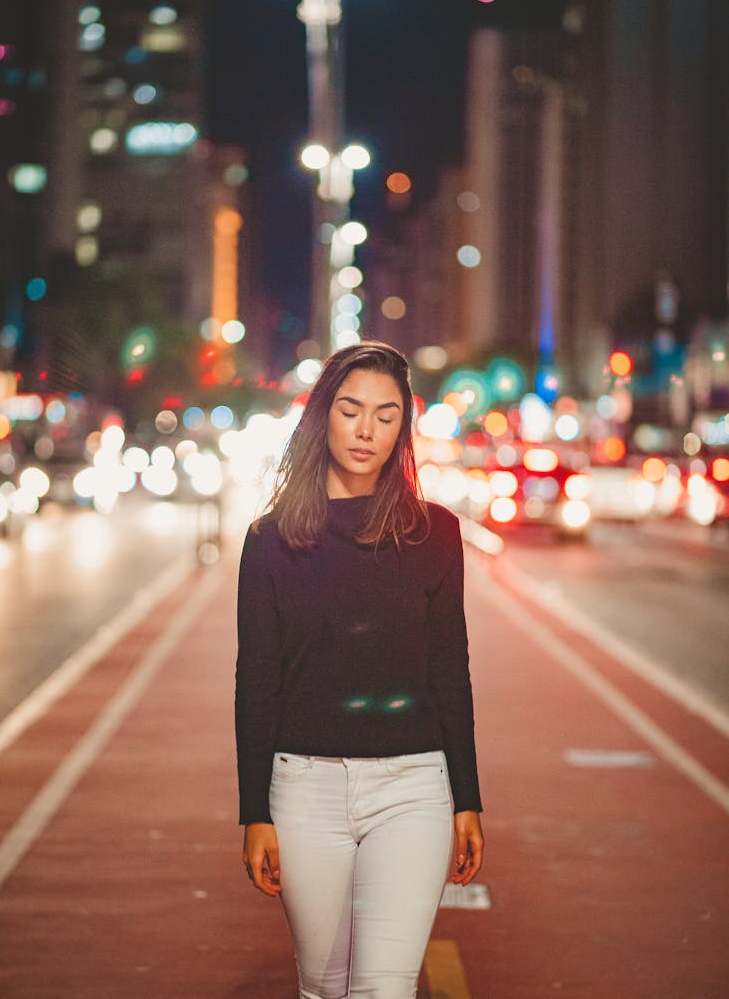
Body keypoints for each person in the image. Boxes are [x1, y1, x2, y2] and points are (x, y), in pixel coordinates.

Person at [235, 340, 484, 999]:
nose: (366, 429)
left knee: (383, 989)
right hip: (303, 788)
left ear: (404, 425)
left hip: (413, 788)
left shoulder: (437, 533)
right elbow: (256, 681)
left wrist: (468, 798)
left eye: (386, 413)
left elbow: (449, 672)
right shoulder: (270, 540)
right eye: (350, 410)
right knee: (324, 984)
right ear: (323, 416)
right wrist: (253, 809)